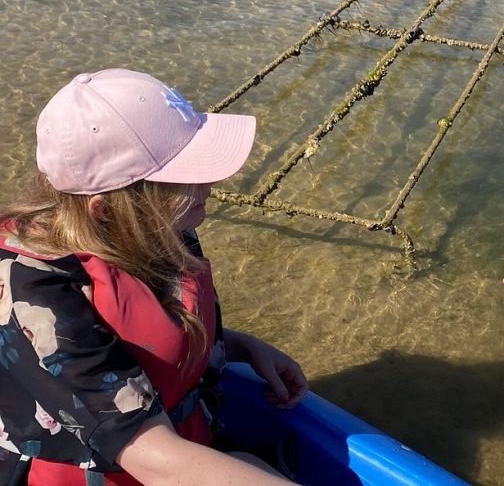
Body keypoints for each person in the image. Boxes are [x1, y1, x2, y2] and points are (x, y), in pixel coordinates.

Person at [0, 68, 306, 485]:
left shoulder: (164, 228)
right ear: (106, 210)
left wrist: (240, 346)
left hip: (182, 437)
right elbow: (150, 456)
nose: (211, 182)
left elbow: (147, 337)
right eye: (184, 178)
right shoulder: (32, 291)